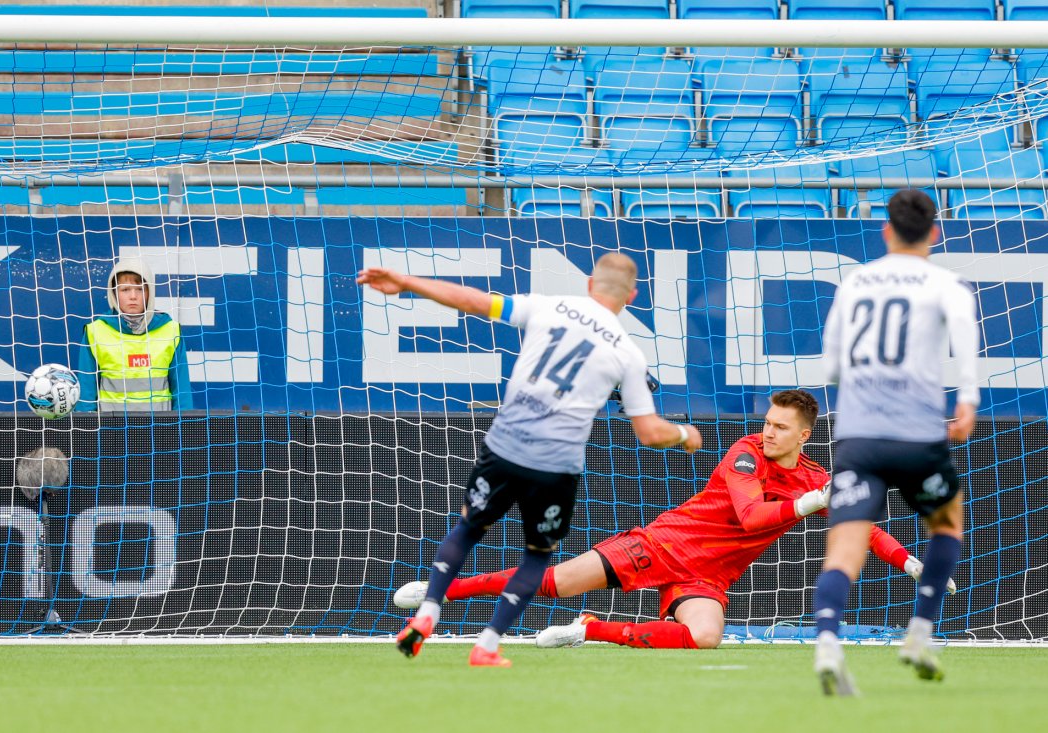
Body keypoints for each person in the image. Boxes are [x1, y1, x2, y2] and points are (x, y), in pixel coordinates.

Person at [394, 389, 951, 651]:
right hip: (663, 544)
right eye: (768, 422)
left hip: (708, 575)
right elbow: (753, 516)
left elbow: (864, 528)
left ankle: (593, 631)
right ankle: (441, 593)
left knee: (705, 637)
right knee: (554, 583)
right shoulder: (745, 453)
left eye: (782, 427)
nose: (769, 431)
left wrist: (912, 563)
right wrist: (812, 504)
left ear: (805, 435)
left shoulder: (812, 476)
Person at [357, 253, 702, 667]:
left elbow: (472, 301)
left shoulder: (547, 306)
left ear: (590, 283)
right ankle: (487, 644)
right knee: (536, 556)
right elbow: (648, 432)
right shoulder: (628, 353)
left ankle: (428, 611)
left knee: (468, 528)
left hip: (506, 445)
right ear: (632, 296)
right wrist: (684, 434)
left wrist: (407, 281)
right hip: (556, 466)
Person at [813, 189, 979, 696]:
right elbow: (966, 343)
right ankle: (920, 634)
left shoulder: (855, 281)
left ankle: (826, 643)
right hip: (916, 436)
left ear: (885, 230)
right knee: (948, 520)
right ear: (934, 233)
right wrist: (966, 404)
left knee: (844, 548)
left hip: (858, 437)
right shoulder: (945, 284)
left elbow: (832, 365)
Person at [76, 257, 193, 412]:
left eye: (139, 289)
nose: (133, 296)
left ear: (149, 292)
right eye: (125, 289)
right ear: (114, 293)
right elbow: (86, 397)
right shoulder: (95, 332)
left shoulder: (170, 330)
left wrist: (182, 431)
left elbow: (182, 393)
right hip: (111, 433)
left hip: (160, 432)